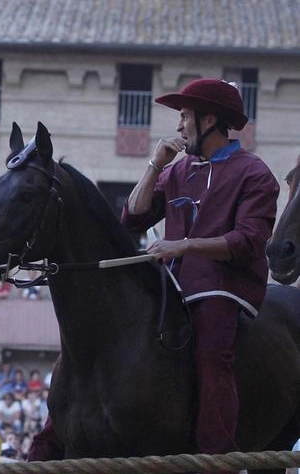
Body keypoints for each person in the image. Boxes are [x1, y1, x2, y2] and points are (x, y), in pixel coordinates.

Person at [121, 78, 279, 462]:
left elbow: (247, 242)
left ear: (210, 120)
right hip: (171, 284)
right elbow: (132, 218)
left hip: (222, 288)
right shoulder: (176, 171)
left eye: (186, 116)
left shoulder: (255, 173)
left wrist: (183, 245)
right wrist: (155, 164)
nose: (178, 126)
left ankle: (218, 459)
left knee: (212, 354)